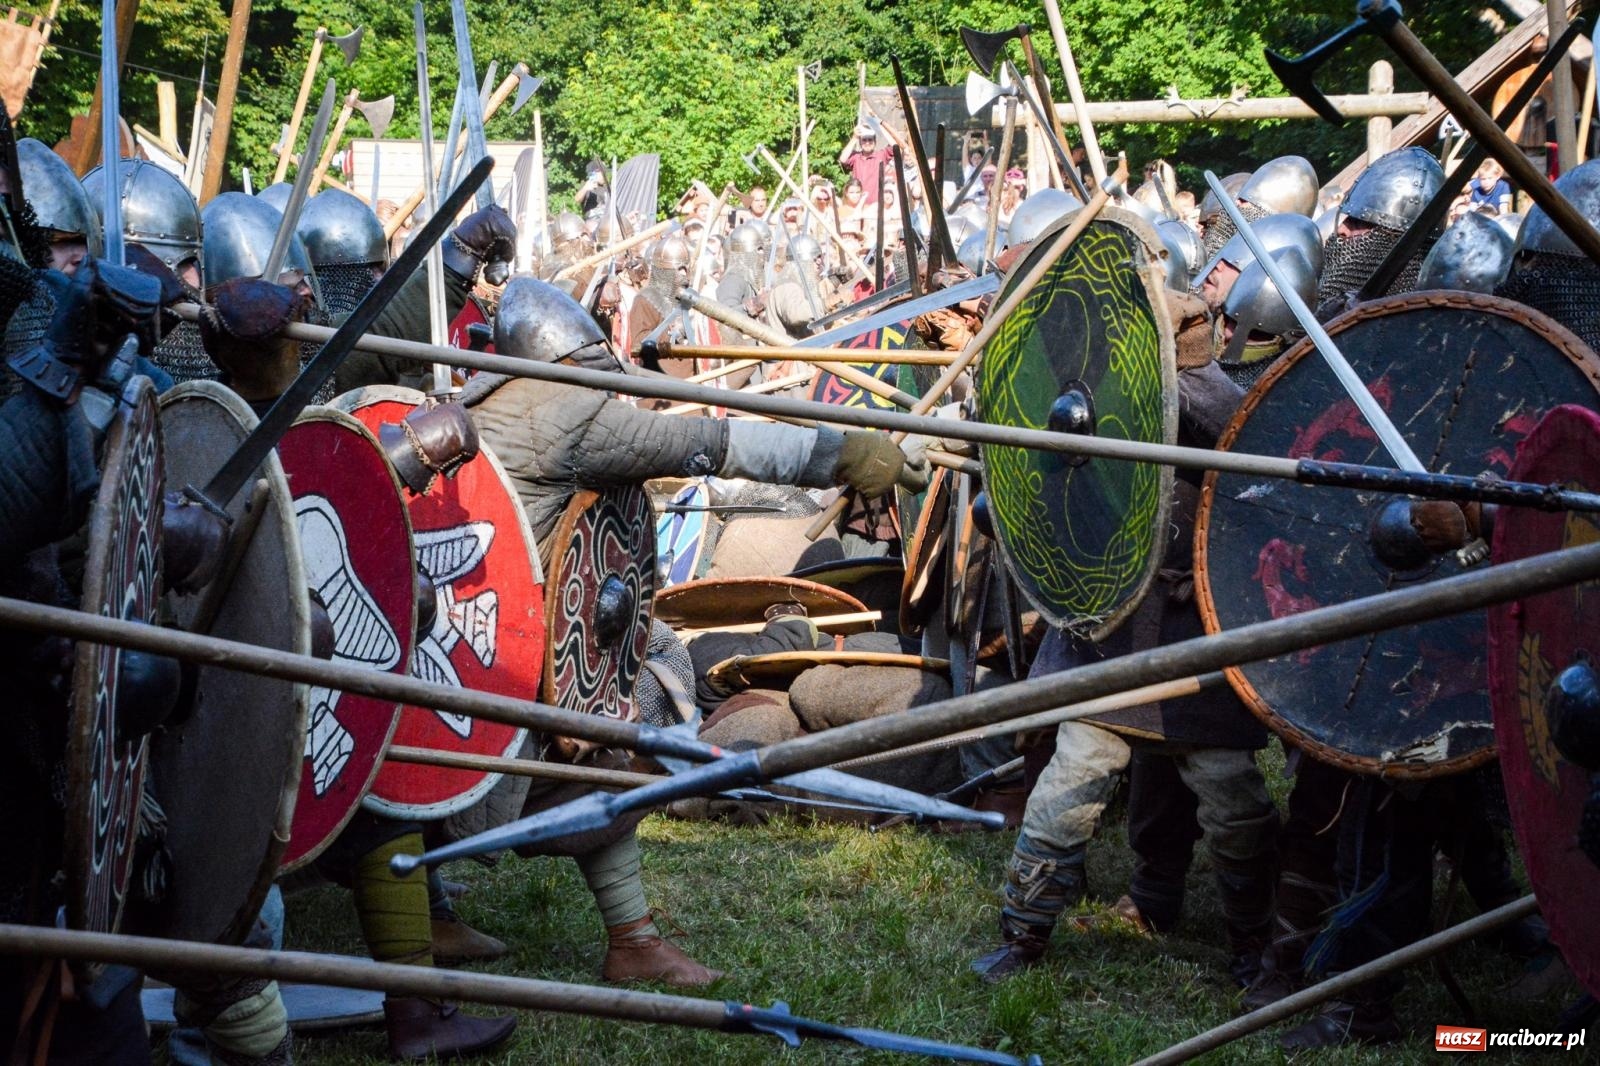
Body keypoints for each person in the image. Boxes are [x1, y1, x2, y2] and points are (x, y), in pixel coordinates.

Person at [452, 276, 925, 991]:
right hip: (505, 651)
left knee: (467, 768)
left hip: (460, 634)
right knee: (595, 767)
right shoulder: (565, 413)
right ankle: (627, 942)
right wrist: (845, 453)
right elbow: (709, 441)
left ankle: (446, 913)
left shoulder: (480, 400)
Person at [838, 124, 909, 205]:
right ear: (860, 142)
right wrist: (854, 138)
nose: (867, 143)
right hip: (858, 205)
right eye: (864, 140)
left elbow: (896, 145)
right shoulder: (856, 157)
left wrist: (880, 124)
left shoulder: (882, 155)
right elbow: (842, 159)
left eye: (870, 140)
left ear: (875, 142)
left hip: (878, 205)